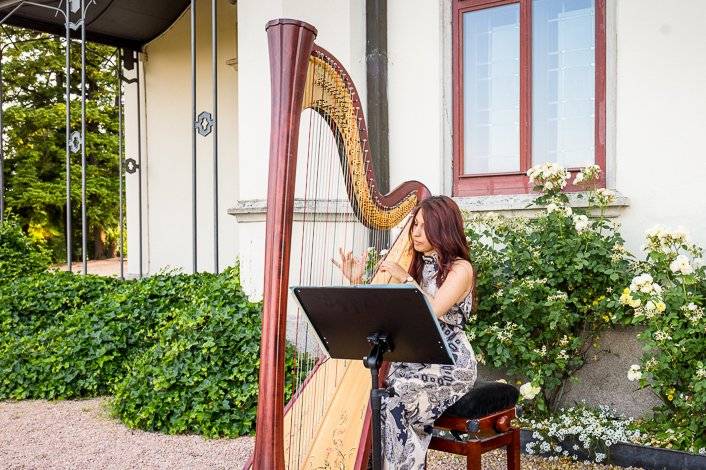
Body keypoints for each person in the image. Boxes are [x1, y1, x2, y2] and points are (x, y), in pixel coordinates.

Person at [333, 195, 478, 469]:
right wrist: (357, 281)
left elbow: (431, 311)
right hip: (412, 359)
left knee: (393, 396)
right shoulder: (417, 264)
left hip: (449, 363)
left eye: (425, 226)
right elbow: (381, 312)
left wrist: (405, 278)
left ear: (443, 229)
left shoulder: (461, 269)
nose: (416, 232)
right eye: (414, 225)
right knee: (379, 396)